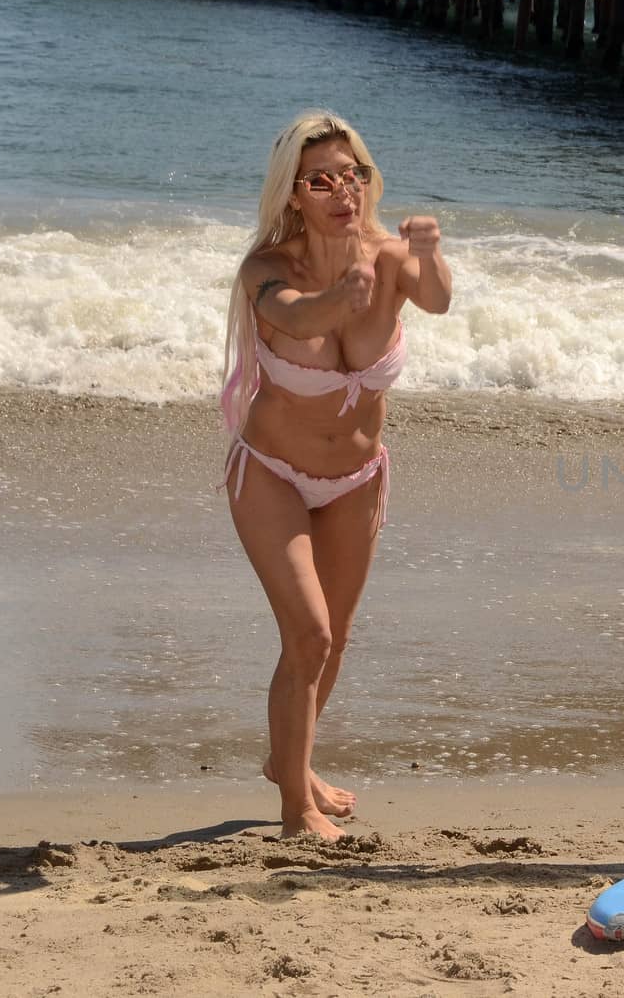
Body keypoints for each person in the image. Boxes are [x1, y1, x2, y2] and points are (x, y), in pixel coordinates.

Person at [220, 111, 452, 840]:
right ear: (293, 194)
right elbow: (291, 317)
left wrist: (431, 252)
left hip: (356, 479)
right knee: (309, 636)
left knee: (335, 639)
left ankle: (290, 760)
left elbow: (438, 298)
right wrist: (336, 300)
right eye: (321, 181)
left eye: (352, 175)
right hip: (271, 474)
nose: (342, 191)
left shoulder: (387, 257)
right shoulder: (267, 269)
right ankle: (296, 808)